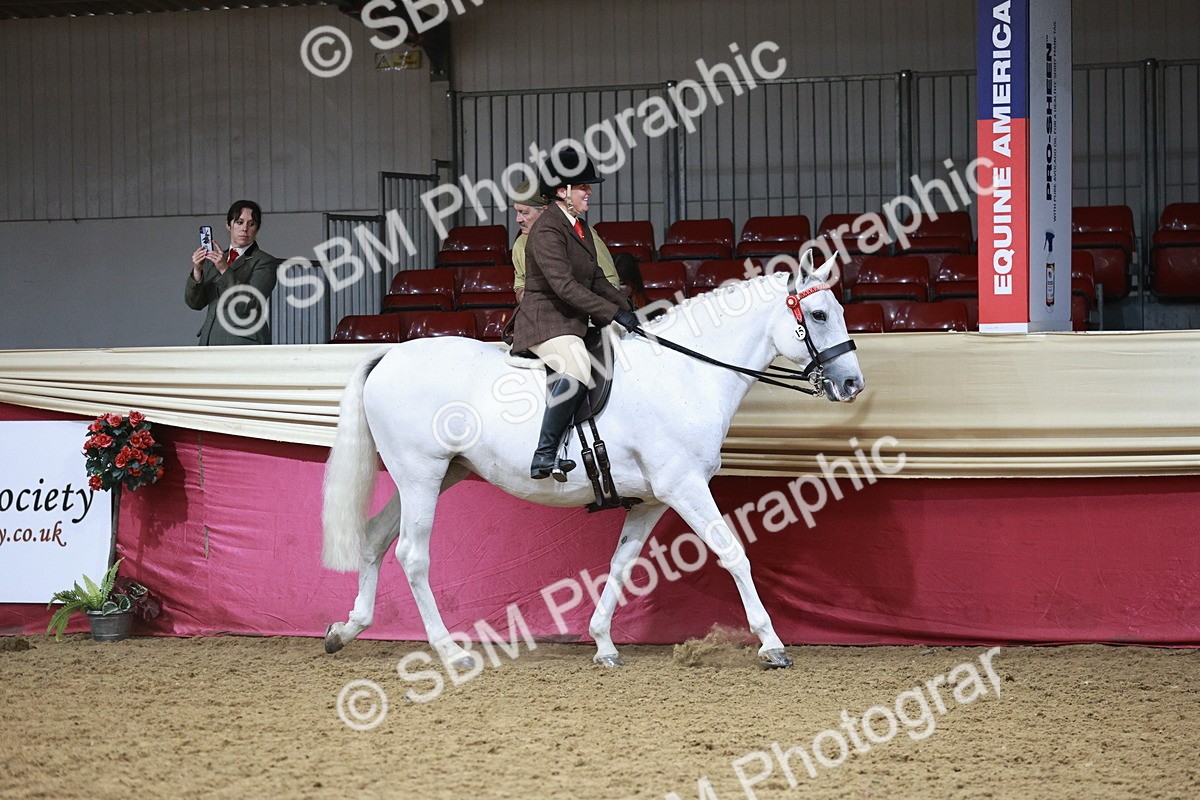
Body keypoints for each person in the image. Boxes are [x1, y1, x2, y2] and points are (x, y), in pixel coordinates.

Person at [510, 148, 642, 481]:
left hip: (568, 319)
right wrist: (613, 313)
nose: (589, 192)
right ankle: (545, 454)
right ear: (562, 191)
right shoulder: (547, 231)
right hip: (545, 321)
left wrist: (630, 311)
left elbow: (596, 277)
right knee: (577, 366)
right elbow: (566, 287)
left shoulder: (577, 226)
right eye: (583, 187)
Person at [185, 200, 280, 345]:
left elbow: (248, 305)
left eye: (251, 224)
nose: (244, 229)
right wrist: (197, 270)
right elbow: (195, 303)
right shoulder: (216, 259)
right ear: (229, 226)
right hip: (210, 341)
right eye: (239, 222)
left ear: (257, 228)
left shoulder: (265, 262)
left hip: (243, 343)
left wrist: (224, 270)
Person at [511, 180, 622, 303]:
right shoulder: (520, 243)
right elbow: (520, 285)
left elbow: (610, 282)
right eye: (516, 211)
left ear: (545, 210)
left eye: (524, 213)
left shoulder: (582, 235)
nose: (518, 219)